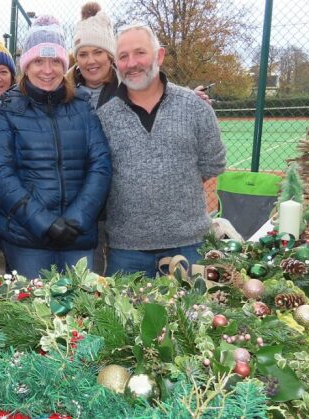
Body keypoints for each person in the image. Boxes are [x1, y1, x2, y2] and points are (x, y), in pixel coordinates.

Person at [67, 2, 211, 275]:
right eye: (83, 53)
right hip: (84, 206)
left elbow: (164, 105)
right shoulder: (64, 91)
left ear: (111, 56)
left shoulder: (130, 85)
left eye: (98, 51)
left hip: (126, 213)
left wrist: (191, 99)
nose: (91, 60)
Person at [96, 22, 226, 278]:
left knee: (194, 316)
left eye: (140, 53)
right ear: (116, 65)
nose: (132, 63)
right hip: (126, 250)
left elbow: (213, 163)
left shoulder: (196, 107)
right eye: (123, 56)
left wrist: (172, 185)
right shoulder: (104, 117)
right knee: (120, 319)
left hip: (190, 245)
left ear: (159, 56)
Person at [0, 15, 112, 279]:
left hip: (77, 237)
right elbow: (1, 174)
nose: (47, 70)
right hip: (27, 240)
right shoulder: (6, 111)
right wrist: (43, 223)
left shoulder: (83, 106)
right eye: (38, 61)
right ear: (26, 66)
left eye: (55, 61)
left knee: (81, 314)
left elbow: (100, 164)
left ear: (64, 64)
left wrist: (76, 220)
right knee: (33, 314)